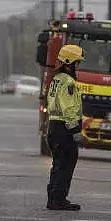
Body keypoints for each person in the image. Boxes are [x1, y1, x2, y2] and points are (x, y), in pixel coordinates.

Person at [46, 44, 84, 211]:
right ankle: (59, 200)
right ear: (69, 63)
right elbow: (68, 108)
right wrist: (75, 130)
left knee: (58, 164)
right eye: (77, 63)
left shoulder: (56, 79)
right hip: (64, 129)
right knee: (66, 164)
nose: (78, 66)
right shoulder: (68, 82)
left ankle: (54, 198)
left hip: (54, 126)